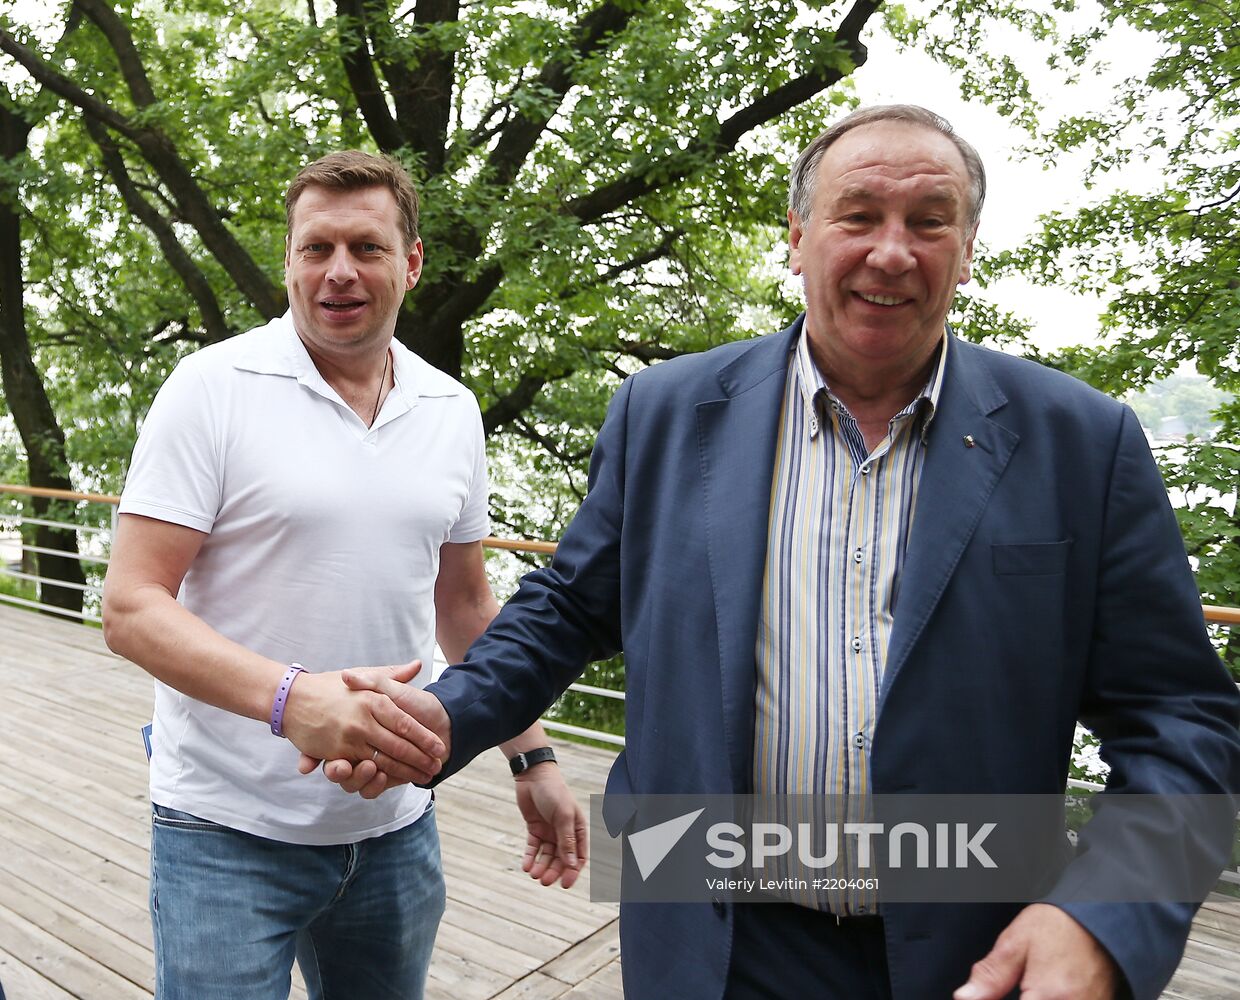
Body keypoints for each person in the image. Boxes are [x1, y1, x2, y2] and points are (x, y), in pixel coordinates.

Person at [324, 107, 1240, 999]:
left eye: (929, 223)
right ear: (798, 236)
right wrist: (442, 716)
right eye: (857, 216)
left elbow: (1183, 721)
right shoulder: (666, 412)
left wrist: (1105, 915)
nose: (890, 251)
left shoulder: (1082, 441)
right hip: (712, 936)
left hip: (980, 944)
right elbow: (568, 606)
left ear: (966, 252)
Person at [101, 150, 586, 1000]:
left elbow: (465, 604)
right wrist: (295, 699)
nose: (339, 273)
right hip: (222, 828)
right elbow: (132, 607)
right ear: (288, 259)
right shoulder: (211, 388)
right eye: (315, 248)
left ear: (413, 262)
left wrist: (531, 756)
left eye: (365, 247)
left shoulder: (450, 409)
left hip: (397, 828)